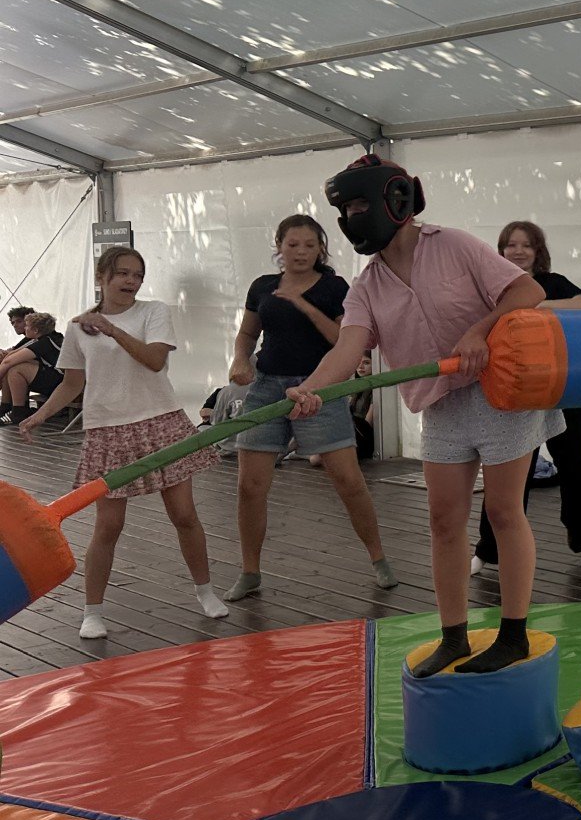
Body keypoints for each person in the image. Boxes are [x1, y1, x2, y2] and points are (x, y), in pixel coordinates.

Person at [289, 156, 554, 677]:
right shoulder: (366, 287)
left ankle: (514, 635)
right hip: (440, 403)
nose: (352, 217)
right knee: (443, 520)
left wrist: (480, 330)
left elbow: (529, 291)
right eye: (346, 209)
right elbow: (347, 348)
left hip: (500, 392)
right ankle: (454, 637)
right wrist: (312, 389)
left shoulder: (453, 245)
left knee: (504, 512)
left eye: (359, 205)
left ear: (394, 200)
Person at [18, 247, 227, 639]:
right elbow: (72, 383)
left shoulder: (153, 312)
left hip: (160, 420)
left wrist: (112, 329)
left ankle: (206, 591)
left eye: (138, 275)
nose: (131, 281)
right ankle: (92, 611)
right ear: (102, 276)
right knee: (109, 525)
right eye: (123, 273)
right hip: (108, 429)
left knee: (184, 514)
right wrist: (39, 415)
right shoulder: (79, 327)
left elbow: (154, 360)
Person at [223, 215, 394, 601]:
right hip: (267, 388)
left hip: (319, 388)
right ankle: (250, 571)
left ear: (321, 250)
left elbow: (343, 339)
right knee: (249, 486)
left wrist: (304, 304)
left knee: (348, 481)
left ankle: (379, 558)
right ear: (279, 246)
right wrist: (240, 359)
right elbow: (247, 333)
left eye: (309, 245)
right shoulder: (262, 286)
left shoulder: (335, 287)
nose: (300, 252)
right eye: (293, 244)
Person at [471, 221, 581, 573]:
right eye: (511, 245)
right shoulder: (492, 288)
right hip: (517, 391)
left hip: (561, 386)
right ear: (501, 250)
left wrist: (531, 305)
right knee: (507, 474)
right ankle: (488, 550)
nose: (518, 251)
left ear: (537, 251)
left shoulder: (552, 282)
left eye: (526, 245)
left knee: (574, 463)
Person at [1, 312, 65, 424]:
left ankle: (18, 412)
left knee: (16, 369)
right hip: (55, 377)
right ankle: (6, 406)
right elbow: (11, 356)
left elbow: (8, 361)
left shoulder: (46, 342)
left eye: (27, 325)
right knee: (13, 365)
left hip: (61, 383)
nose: (25, 328)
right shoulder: (39, 339)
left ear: (35, 330)